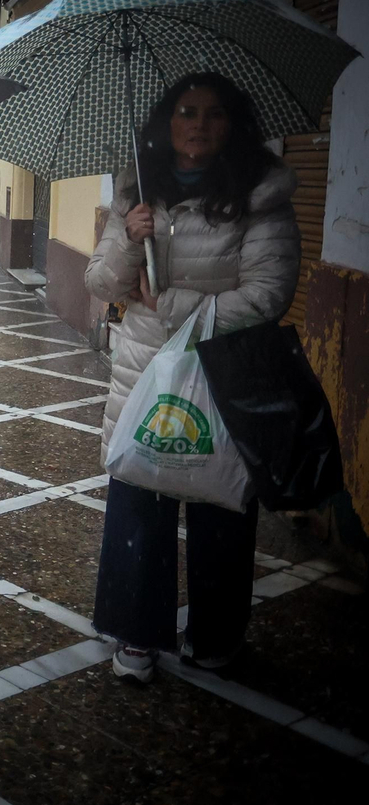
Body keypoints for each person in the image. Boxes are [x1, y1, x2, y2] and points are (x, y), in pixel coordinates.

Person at [85, 72, 300, 684]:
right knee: (138, 501)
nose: (199, 124)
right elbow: (100, 284)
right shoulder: (137, 190)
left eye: (213, 113)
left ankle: (216, 634)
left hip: (226, 374)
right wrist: (131, 239)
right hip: (146, 371)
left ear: (233, 124)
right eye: (186, 112)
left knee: (222, 507)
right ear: (166, 122)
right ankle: (136, 630)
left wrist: (174, 304)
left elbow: (269, 294)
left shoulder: (261, 193)